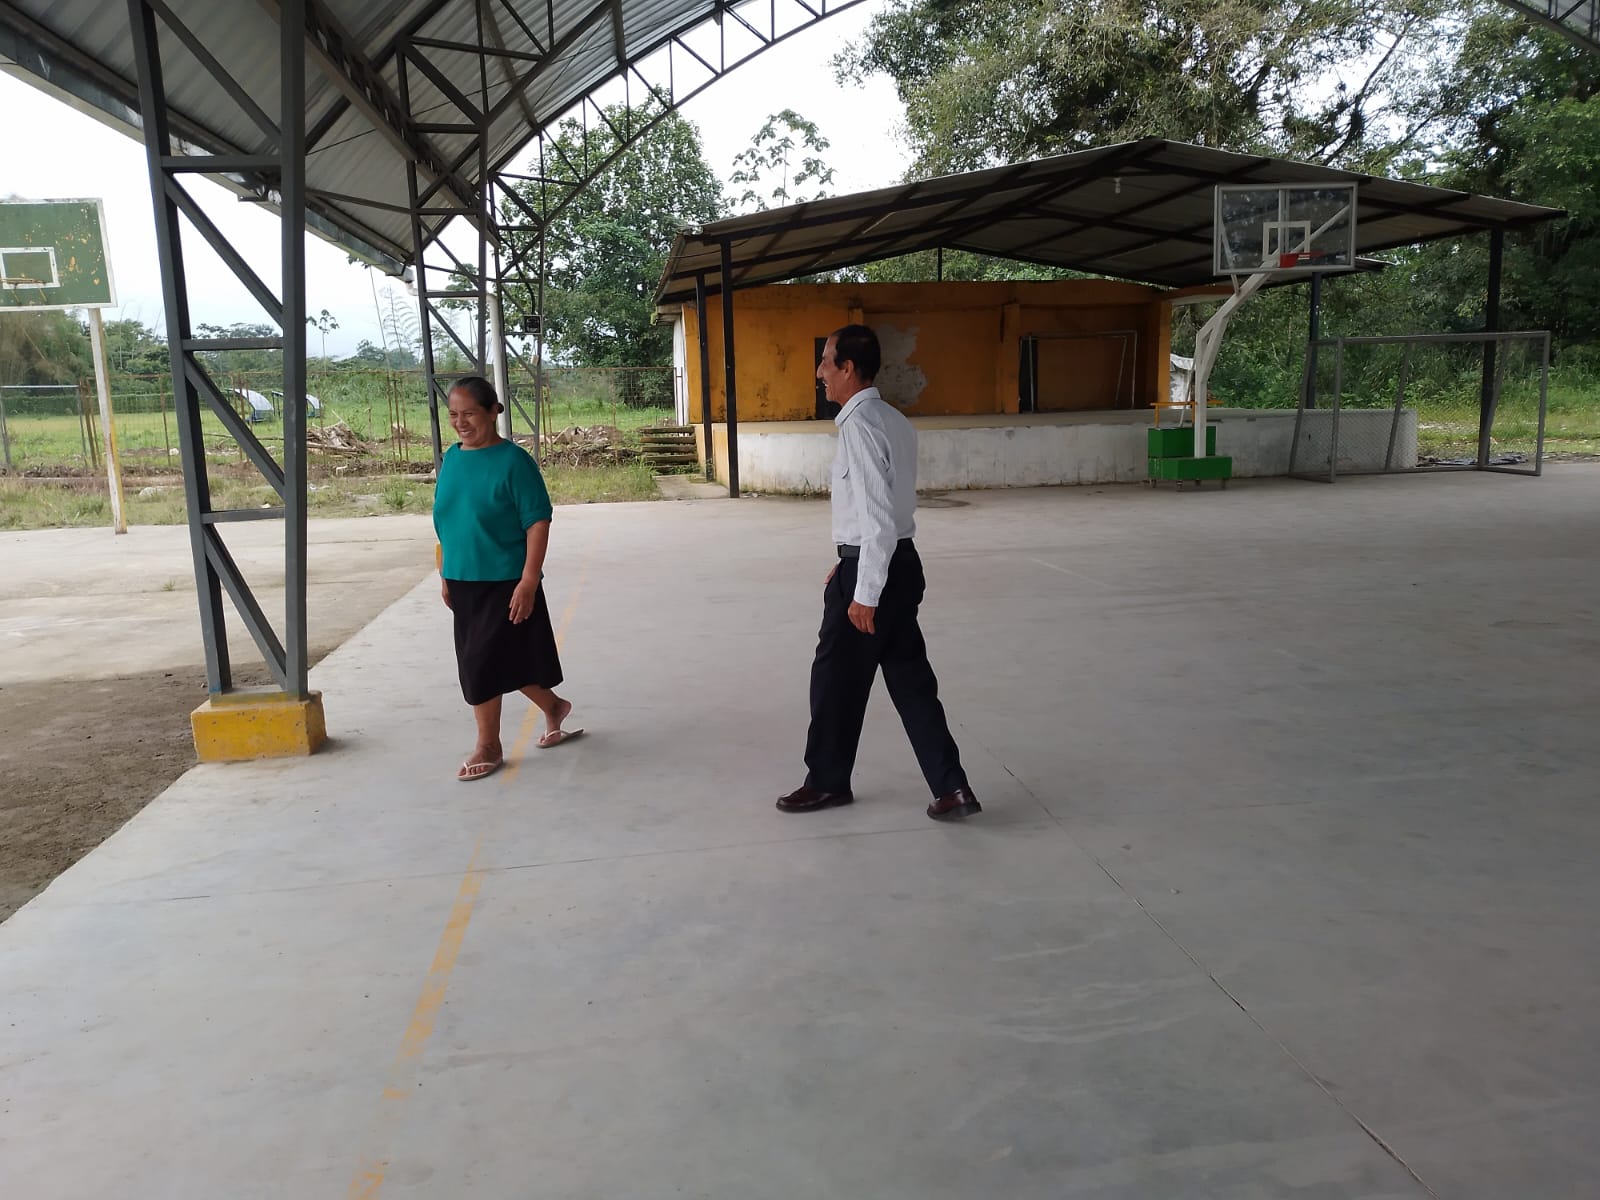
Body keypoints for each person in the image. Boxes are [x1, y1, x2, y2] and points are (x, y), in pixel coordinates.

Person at [777, 325, 980, 821]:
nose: (820, 371)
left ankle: (826, 783)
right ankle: (952, 788)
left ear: (848, 368)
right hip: (897, 563)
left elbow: (879, 519)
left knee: (834, 682)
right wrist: (847, 559)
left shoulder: (860, 427)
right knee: (912, 683)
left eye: (826, 361)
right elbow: (881, 512)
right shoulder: (893, 420)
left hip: (876, 574)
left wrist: (864, 589)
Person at [434, 376, 580, 781]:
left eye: (469, 414)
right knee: (504, 659)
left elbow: (537, 522)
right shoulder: (453, 459)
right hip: (462, 579)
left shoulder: (514, 462)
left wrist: (528, 581)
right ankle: (554, 707)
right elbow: (447, 521)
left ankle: (489, 745)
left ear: (493, 411)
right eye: (454, 415)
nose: (460, 422)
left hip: (505, 580)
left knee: (481, 662)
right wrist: (445, 572)